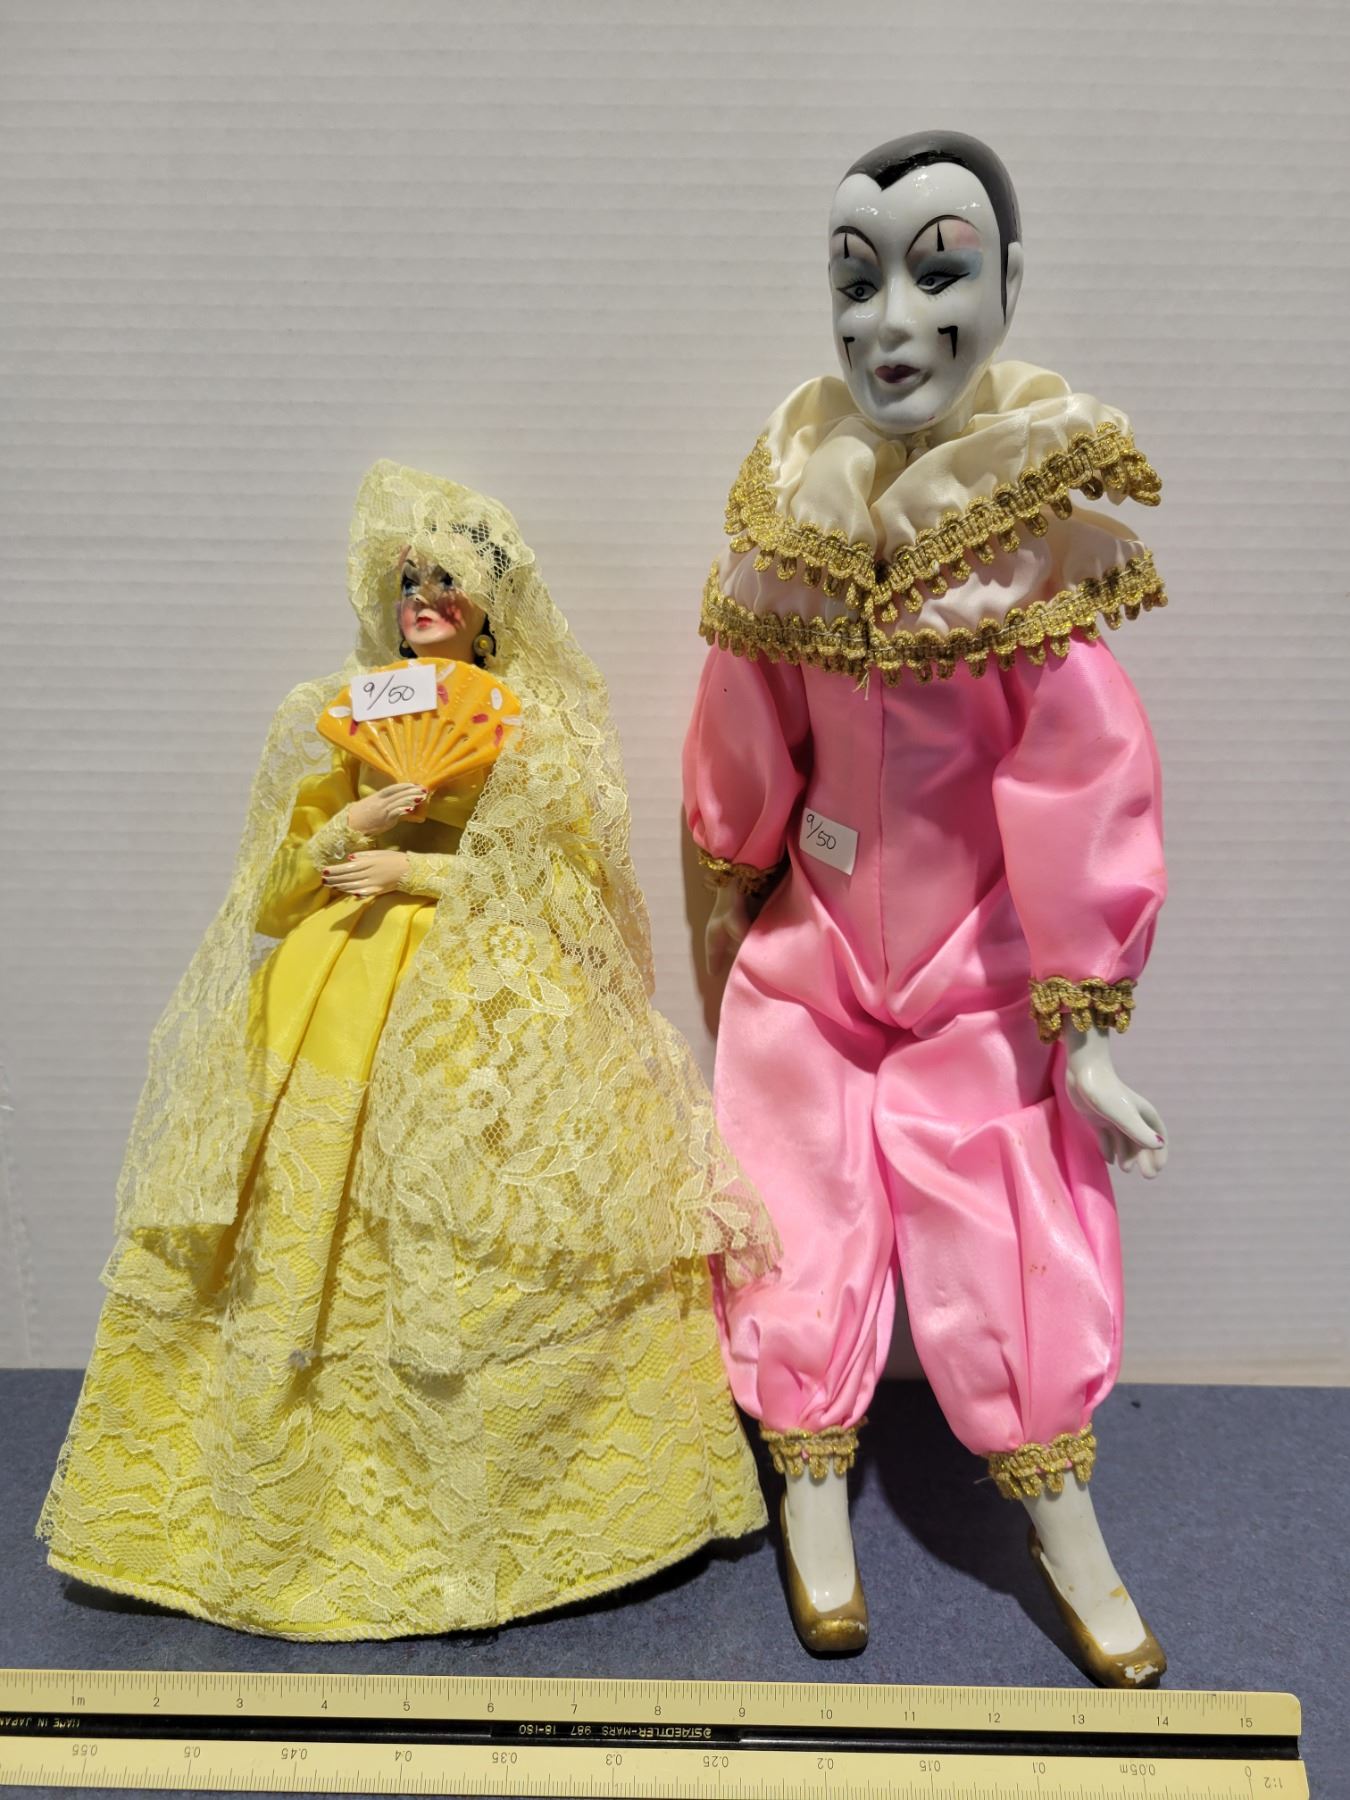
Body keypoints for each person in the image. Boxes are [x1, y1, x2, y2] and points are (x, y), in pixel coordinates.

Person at [40, 460, 772, 1639]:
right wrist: (357, 822)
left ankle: (532, 1514)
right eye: (409, 580)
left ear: (491, 603)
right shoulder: (344, 711)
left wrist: (425, 871)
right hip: (332, 995)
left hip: (485, 1006)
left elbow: (564, 894)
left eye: (448, 580)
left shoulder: (533, 725)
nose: (425, 598)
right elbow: (271, 896)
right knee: (303, 1233)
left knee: (497, 1226)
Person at [683, 132, 1170, 1682]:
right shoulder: (793, 512)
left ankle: (1061, 1515)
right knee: (789, 1189)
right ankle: (808, 1480)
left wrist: (1086, 1019)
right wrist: (724, 886)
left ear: (1006, 286)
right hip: (815, 950)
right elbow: (745, 719)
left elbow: (1079, 774)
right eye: (855, 281)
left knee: (1010, 1207)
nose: (889, 320)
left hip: (980, 960)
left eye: (937, 271)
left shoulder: (1019, 536)